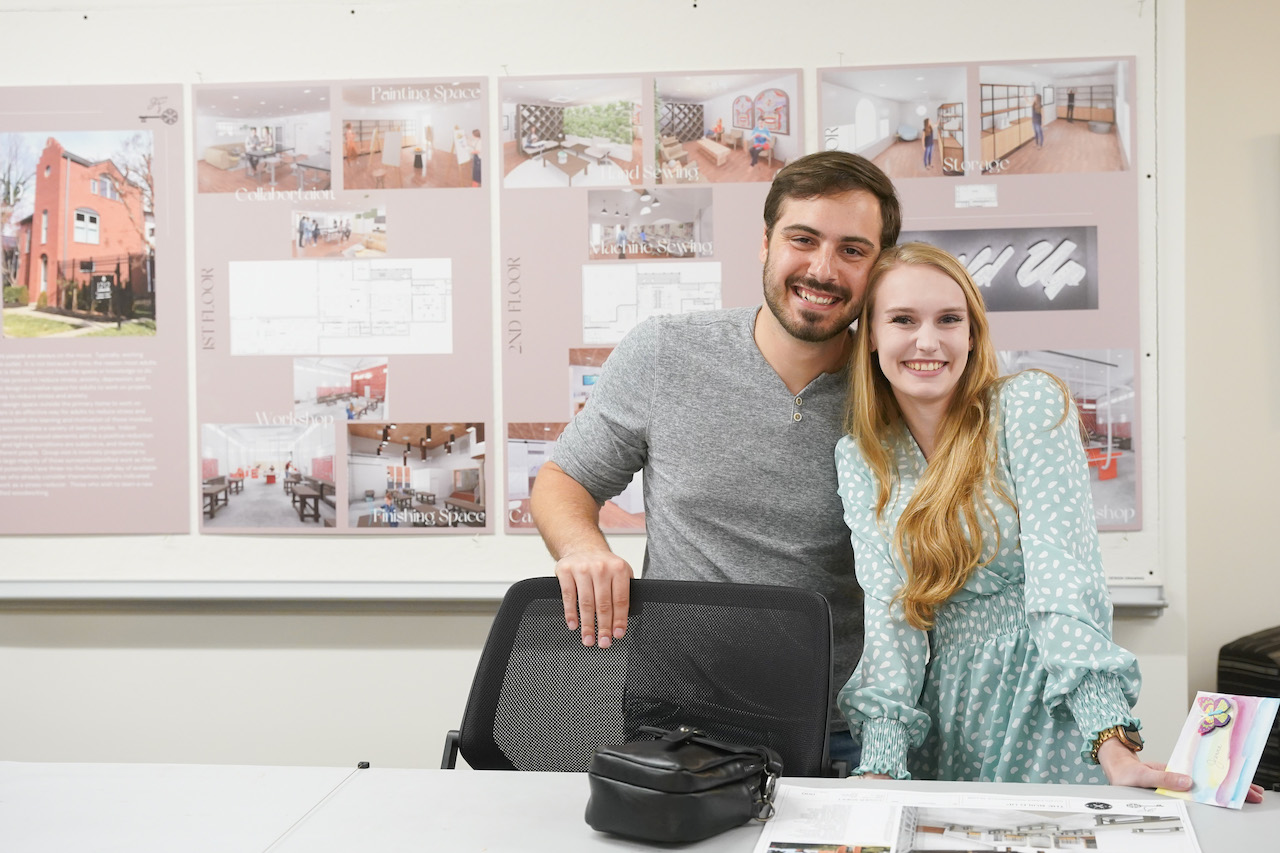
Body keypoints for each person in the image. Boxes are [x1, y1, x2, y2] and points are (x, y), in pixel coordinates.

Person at [833, 242, 1264, 801]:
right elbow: (892, 614)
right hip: (940, 713)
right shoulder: (861, 456)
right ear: (870, 335)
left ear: (972, 333)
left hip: (1044, 698)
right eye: (902, 320)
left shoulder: (1027, 405)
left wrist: (1109, 737)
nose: (927, 341)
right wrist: (881, 765)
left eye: (948, 319)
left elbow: (1061, 575)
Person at [531, 151, 902, 768]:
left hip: (846, 728)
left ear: (878, 266)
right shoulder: (664, 353)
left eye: (852, 250)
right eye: (802, 240)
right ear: (765, 244)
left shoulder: (895, 384)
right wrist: (583, 549)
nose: (822, 268)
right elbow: (563, 480)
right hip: (679, 719)